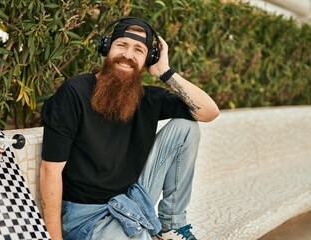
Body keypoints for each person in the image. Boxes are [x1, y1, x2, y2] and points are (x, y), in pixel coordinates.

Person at [40, 17, 219, 240]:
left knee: (186, 127)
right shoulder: (73, 93)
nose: (128, 55)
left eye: (139, 50)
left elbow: (209, 112)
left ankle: (172, 226)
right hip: (85, 217)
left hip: (132, 199)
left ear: (148, 60)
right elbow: (50, 172)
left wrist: (165, 72)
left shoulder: (147, 99)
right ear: (106, 48)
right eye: (121, 45)